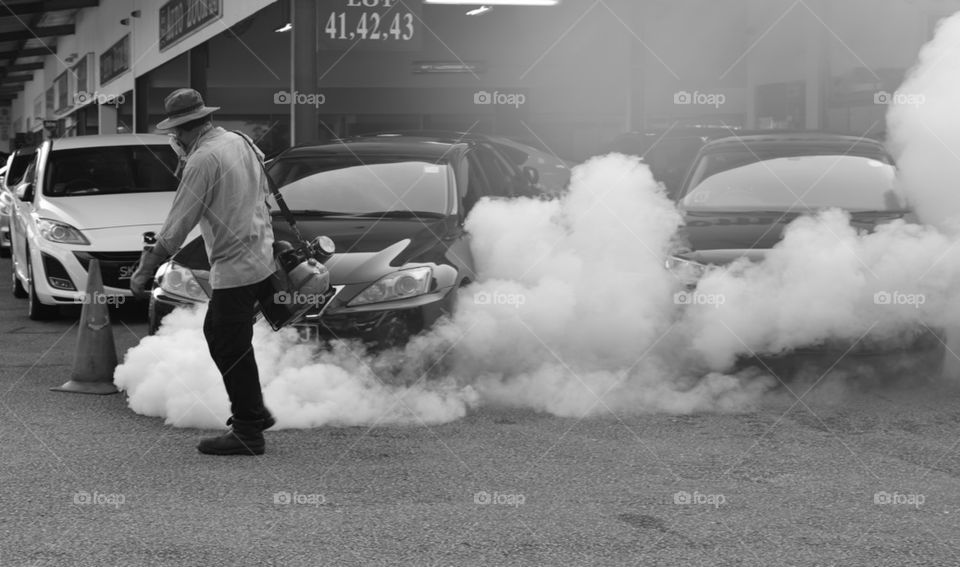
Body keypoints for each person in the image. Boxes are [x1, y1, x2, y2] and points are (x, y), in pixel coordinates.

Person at [130, 88, 277, 456]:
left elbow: (176, 227)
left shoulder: (202, 160)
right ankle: (255, 411)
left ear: (182, 131)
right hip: (261, 255)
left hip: (235, 266)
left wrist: (144, 270)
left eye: (174, 134)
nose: (174, 141)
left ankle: (248, 430)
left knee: (228, 341)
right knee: (226, 336)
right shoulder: (241, 141)